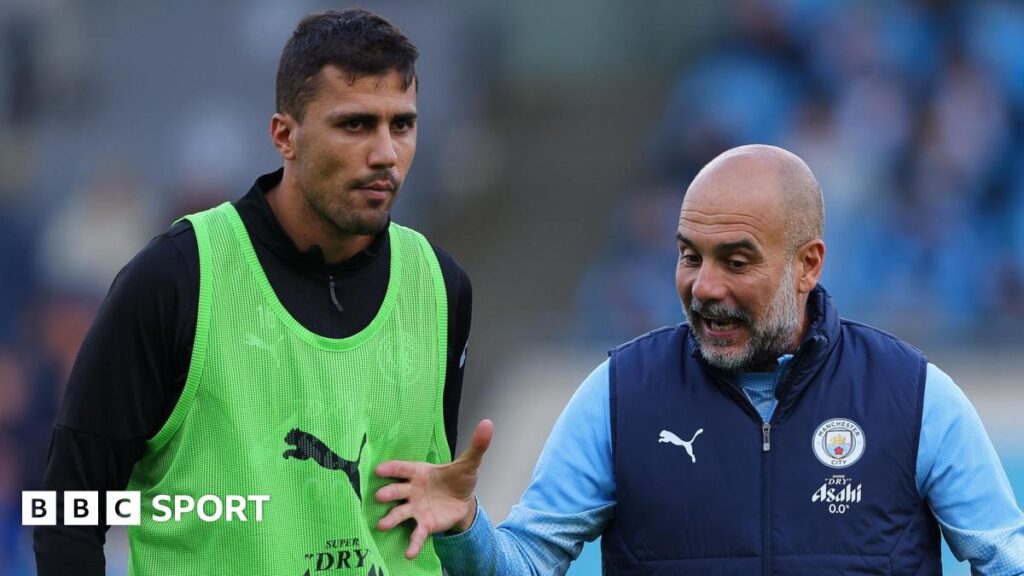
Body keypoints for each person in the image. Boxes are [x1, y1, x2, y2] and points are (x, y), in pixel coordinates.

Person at [374, 145, 1024, 574]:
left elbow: (1005, 559)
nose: (703, 285)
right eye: (690, 255)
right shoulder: (620, 396)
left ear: (808, 264)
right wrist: (466, 531)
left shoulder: (912, 397)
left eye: (735, 261)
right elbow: (527, 562)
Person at [33, 9, 472, 576]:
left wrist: (471, 523)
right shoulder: (173, 281)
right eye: (355, 125)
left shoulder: (443, 288)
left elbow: (427, 520)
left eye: (402, 125)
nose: (385, 153)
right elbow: (68, 514)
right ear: (285, 136)